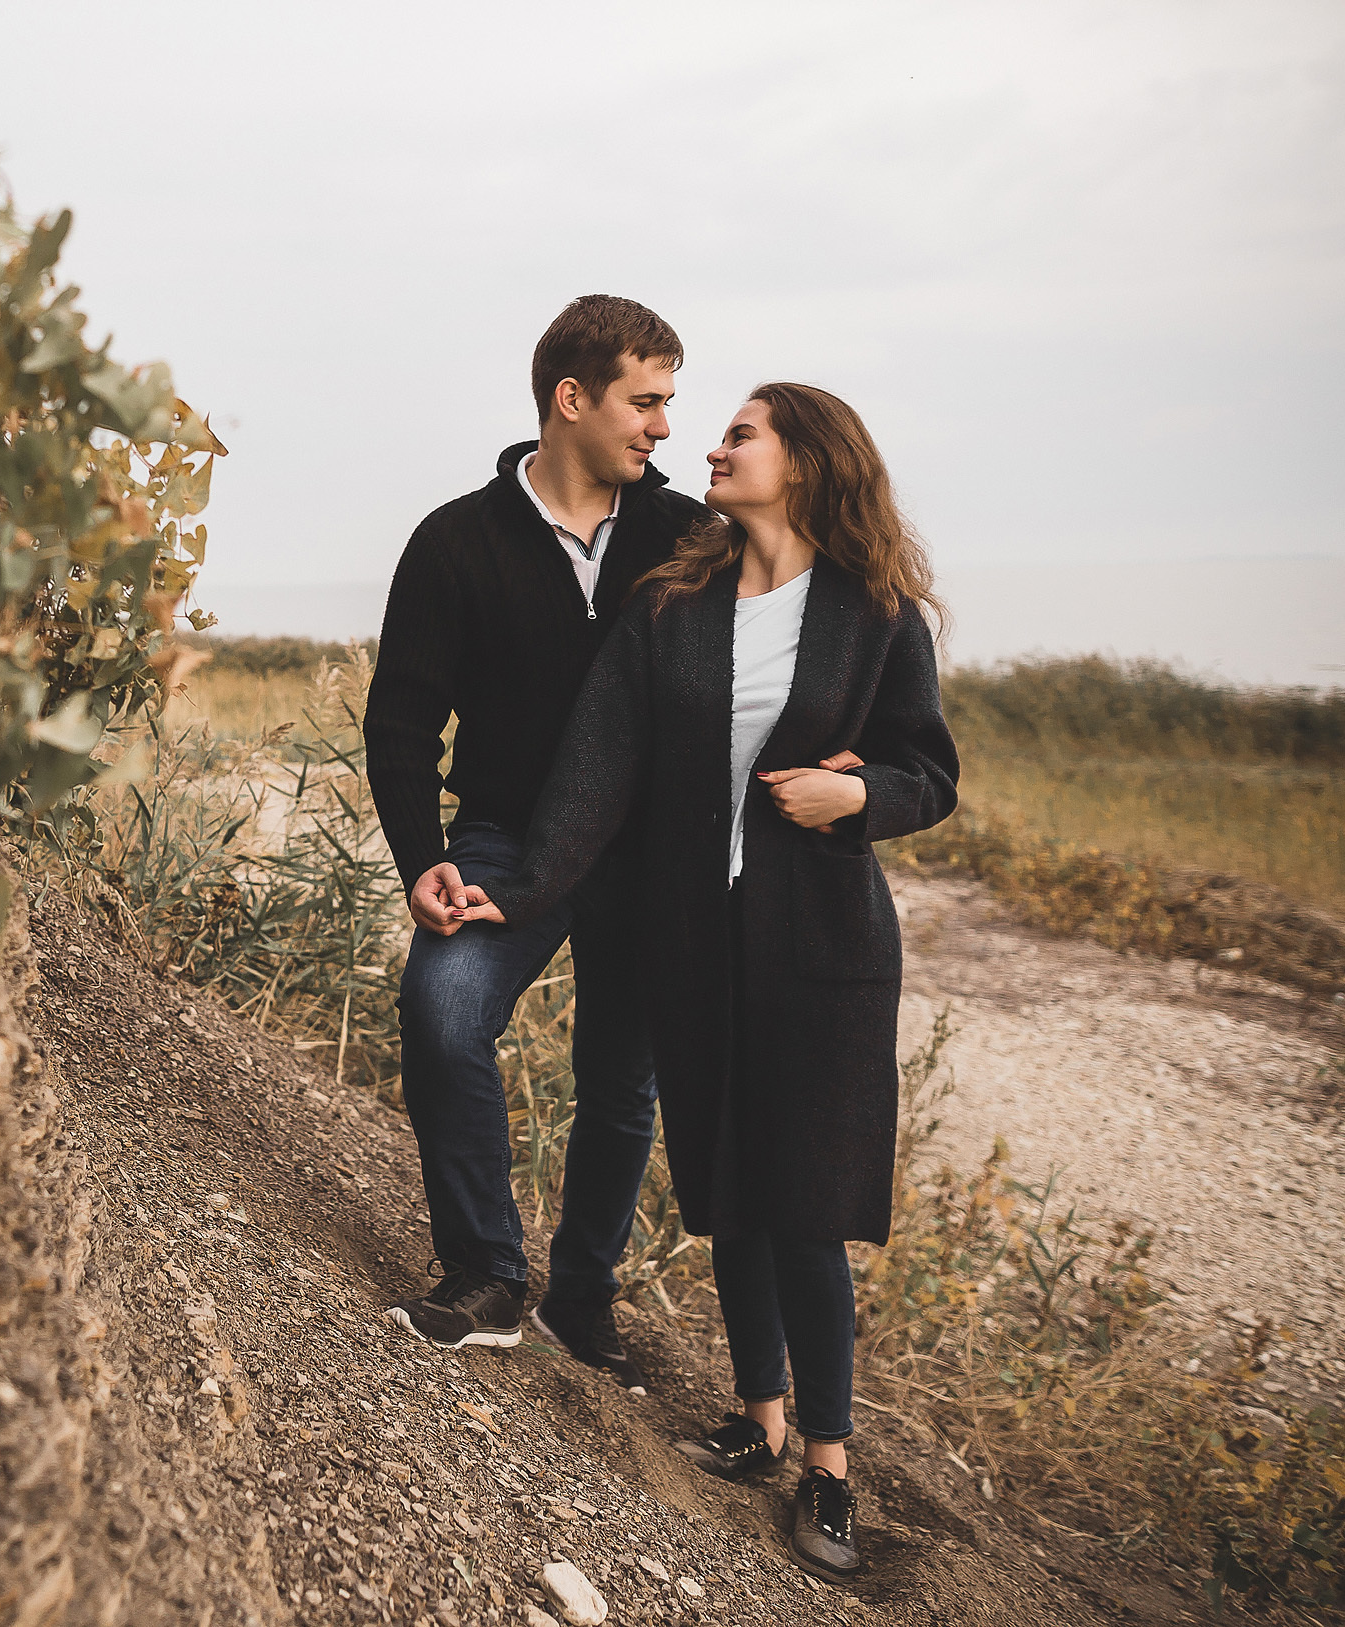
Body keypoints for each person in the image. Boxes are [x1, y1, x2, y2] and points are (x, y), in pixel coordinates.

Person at [447, 382, 960, 1582]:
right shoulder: (671, 604)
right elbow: (597, 766)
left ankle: (828, 1468)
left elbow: (928, 772)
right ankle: (759, 1417)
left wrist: (853, 796)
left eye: (739, 435)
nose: (711, 450)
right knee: (727, 1187)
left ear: (808, 463)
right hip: (693, 941)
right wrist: (520, 887)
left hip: (821, 948)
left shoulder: (875, 613)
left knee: (804, 1204)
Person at [365, 294, 699, 1381]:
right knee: (442, 1008)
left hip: (646, 855)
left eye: (668, 403)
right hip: (504, 841)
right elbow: (401, 719)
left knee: (622, 1084)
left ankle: (583, 1302)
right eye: (644, 402)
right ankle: (486, 1274)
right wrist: (423, 857)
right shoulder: (455, 541)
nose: (662, 426)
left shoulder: (690, 538)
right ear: (571, 398)